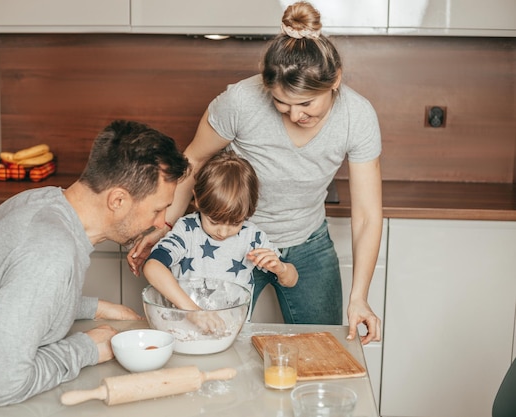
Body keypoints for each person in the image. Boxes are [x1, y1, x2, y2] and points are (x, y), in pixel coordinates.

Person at [128, 1, 383, 345]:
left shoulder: (358, 116)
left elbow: (367, 215)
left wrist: (359, 296)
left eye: (307, 104)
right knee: (213, 340)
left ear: (334, 80)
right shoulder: (241, 102)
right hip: (231, 241)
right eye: (282, 103)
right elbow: (194, 161)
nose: (295, 115)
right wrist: (165, 225)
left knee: (321, 346)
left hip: (308, 242)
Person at [0, 120, 190, 417]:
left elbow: (12, 295)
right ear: (117, 200)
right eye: (158, 209)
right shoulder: (50, 251)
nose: (161, 223)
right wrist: (87, 349)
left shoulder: (38, 202)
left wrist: (96, 307)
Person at [143, 150, 298, 321]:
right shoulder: (187, 231)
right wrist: (195, 313)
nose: (223, 232)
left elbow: (292, 279)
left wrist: (281, 269)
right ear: (199, 199)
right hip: (184, 329)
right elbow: (152, 266)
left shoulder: (252, 237)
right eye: (214, 222)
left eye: (235, 223)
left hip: (232, 333)